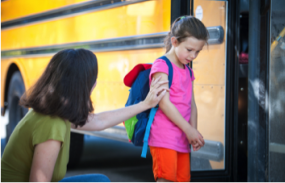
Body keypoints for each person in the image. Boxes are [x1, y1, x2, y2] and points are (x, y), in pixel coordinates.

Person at [0, 48, 168, 183]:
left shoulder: (56, 111)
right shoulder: (52, 125)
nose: (95, 83)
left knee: (99, 180)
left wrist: (145, 104)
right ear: (82, 86)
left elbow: (100, 120)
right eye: (93, 79)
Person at [148, 16, 208, 183]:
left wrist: (193, 132)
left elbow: (192, 104)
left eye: (198, 51)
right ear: (174, 42)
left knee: (183, 179)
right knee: (166, 179)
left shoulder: (188, 71)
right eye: (189, 50)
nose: (194, 55)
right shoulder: (162, 65)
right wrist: (189, 130)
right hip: (164, 137)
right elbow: (164, 103)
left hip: (183, 138)